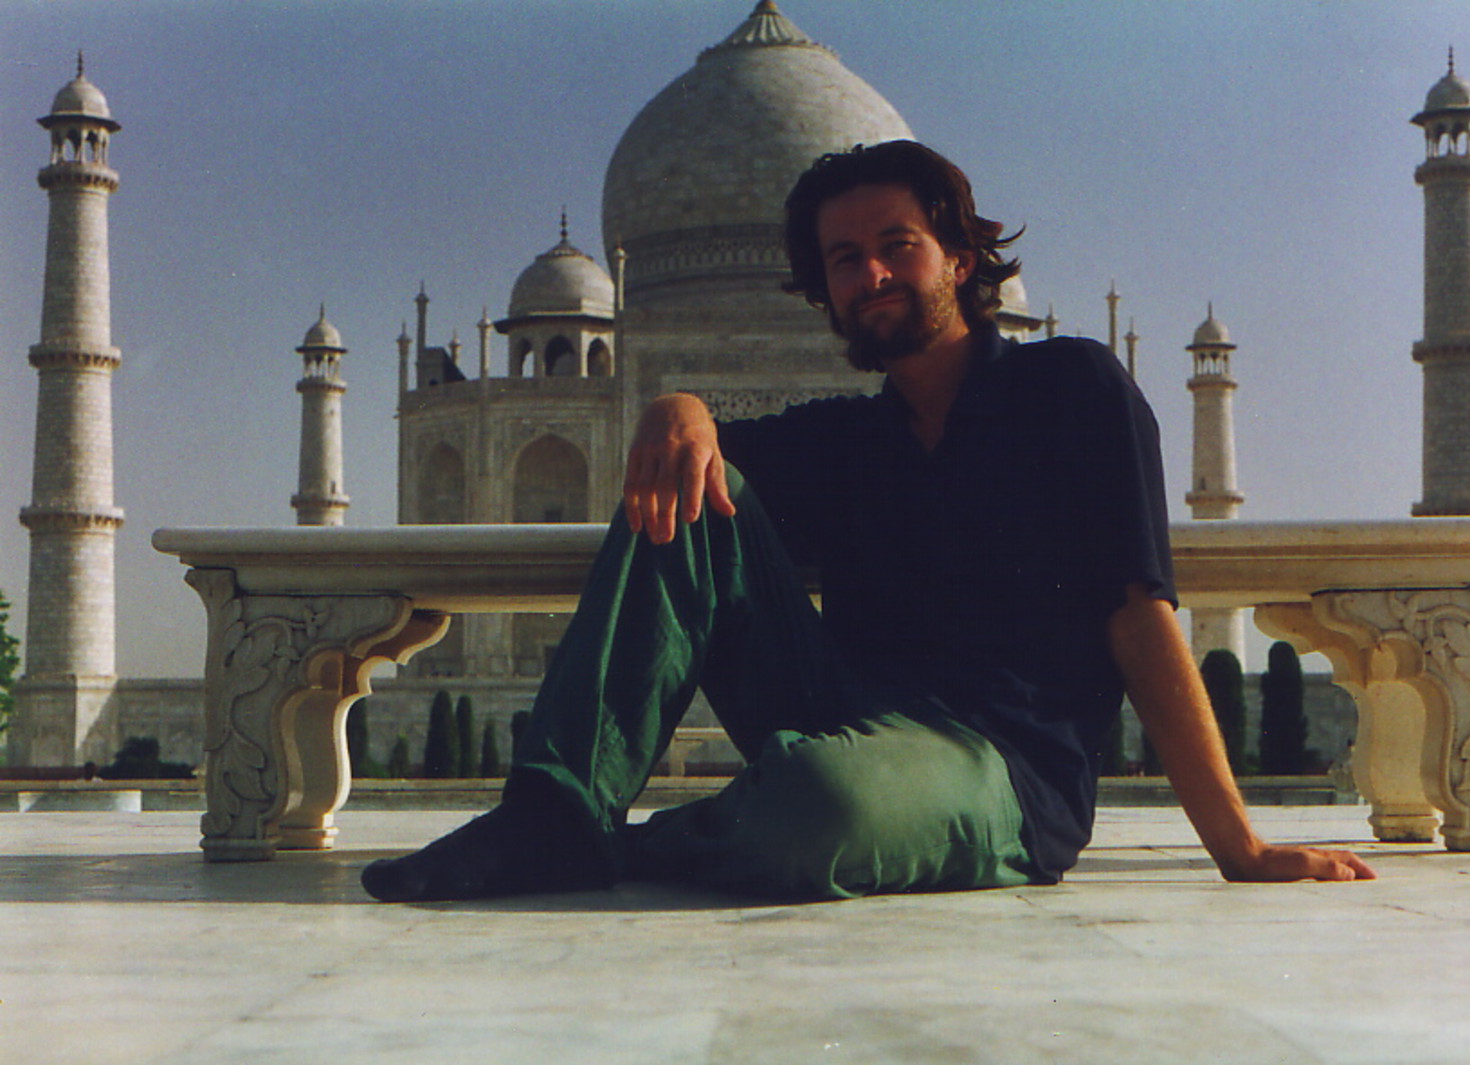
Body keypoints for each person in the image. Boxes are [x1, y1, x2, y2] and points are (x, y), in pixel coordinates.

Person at [362, 141, 1375, 903]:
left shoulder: (1073, 388)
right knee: (683, 475)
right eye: (846, 260)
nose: (874, 275)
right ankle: (554, 813)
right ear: (822, 294)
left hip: (998, 764)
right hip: (840, 712)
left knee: (821, 803)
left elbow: (1138, 613)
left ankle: (620, 846)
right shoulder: (849, 435)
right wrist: (672, 410)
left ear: (960, 259)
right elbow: (704, 491)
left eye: (898, 247)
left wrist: (1235, 845)